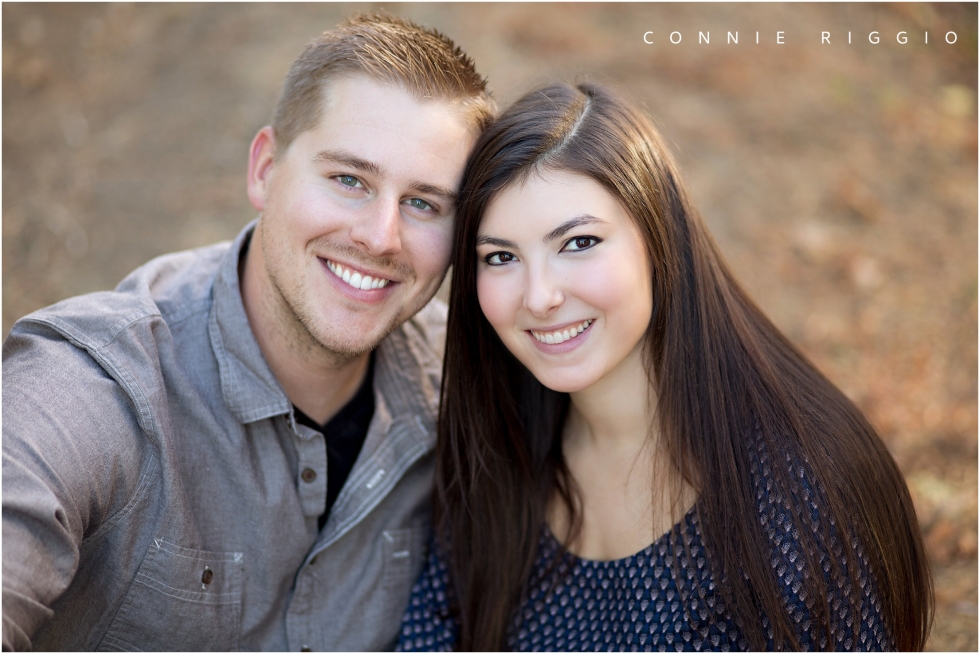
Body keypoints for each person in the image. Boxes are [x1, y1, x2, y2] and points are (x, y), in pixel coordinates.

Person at [2, 13, 494, 651]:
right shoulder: (95, 390)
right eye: (350, 180)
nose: (380, 236)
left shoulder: (463, 390)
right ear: (265, 168)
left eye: (424, 203)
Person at [397, 83, 933, 651]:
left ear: (658, 239)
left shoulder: (803, 488)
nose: (539, 296)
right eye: (500, 257)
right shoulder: (492, 448)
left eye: (578, 243)